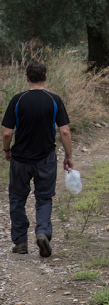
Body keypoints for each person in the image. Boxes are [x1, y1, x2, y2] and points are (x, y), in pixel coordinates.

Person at [2, 61, 73, 257]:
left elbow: (7, 132)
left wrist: (6, 150)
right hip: (45, 159)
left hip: (20, 160)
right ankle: (42, 232)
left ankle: (20, 242)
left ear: (27, 78)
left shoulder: (17, 100)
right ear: (45, 78)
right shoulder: (54, 100)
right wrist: (69, 156)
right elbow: (65, 131)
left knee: (17, 199)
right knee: (43, 198)